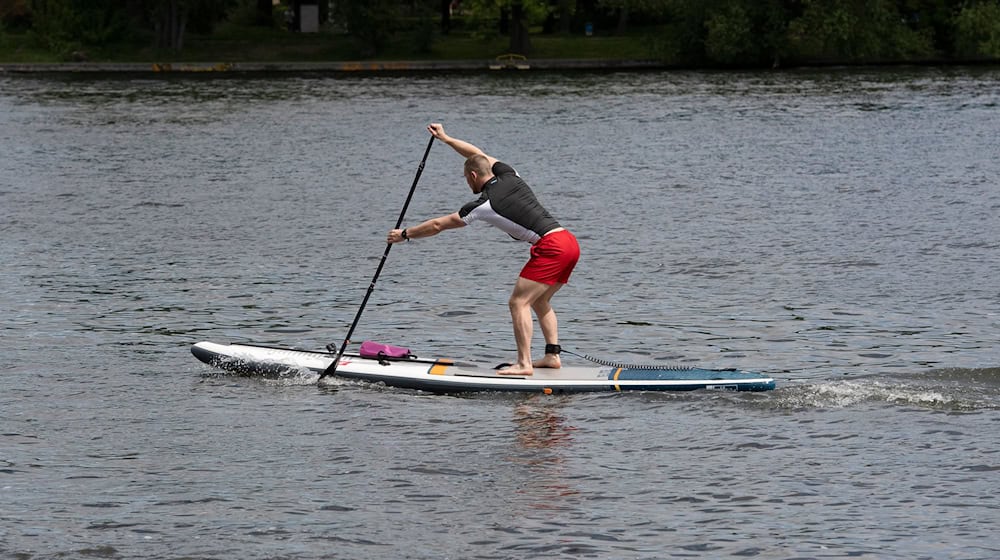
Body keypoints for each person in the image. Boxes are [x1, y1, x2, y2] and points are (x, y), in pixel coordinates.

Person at [387, 123, 580, 376]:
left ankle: (524, 364)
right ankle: (552, 356)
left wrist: (404, 234)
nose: (467, 183)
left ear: (473, 177)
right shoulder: (511, 174)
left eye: (467, 178)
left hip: (552, 247)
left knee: (518, 302)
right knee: (540, 300)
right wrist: (445, 138)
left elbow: (437, 225)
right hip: (569, 241)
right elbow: (476, 154)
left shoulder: (483, 204)